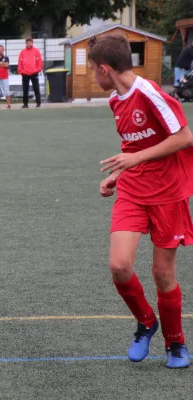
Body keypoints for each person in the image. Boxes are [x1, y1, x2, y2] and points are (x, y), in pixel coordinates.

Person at [90, 34, 193, 369]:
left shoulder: (149, 93)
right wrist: (117, 175)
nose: (93, 76)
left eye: (93, 70)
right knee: (119, 266)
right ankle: (146, 322)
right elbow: (133, 149)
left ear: (105, 69)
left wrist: (133, 160)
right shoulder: (115, 101)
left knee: (163, 274)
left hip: (167, 193)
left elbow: (184, 136)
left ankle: (176, 344)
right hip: (133, 190)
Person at [17, 37, 43, 108]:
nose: (29, 44)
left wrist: (39, 69)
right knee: (25, 89)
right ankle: (25, 104)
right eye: (27, 43)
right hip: (25, 73)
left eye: (30, 43)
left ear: (32, 43)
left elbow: (39, 61)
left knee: (36, 88)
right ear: (26, 43)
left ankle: (38, 103)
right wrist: (21, 70)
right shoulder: (22, 52)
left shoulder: (36, 51)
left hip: (34, 73)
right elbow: (20, 62)